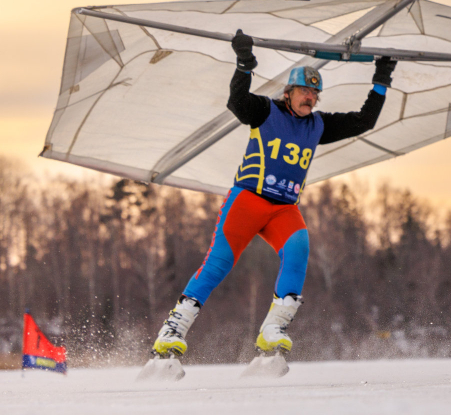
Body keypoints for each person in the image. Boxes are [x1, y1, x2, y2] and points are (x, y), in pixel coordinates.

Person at [149, 31, 397, 359]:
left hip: (283, 209)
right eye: (303, 91)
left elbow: (364, 121)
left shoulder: (318, 126)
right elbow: (237, 102)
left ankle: (273, 330)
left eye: (314, 92)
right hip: (248, 200)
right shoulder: (266, 111)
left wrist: (381, 78)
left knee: (298, 250)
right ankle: (172, 331)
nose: (309, 97)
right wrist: (244, 64)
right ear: (288, 92)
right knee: (218, 264)